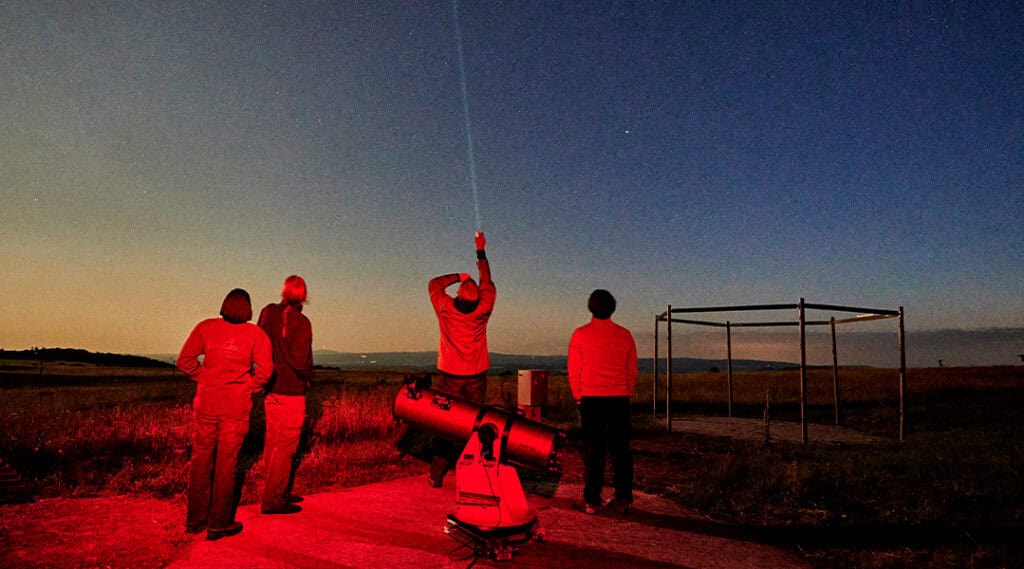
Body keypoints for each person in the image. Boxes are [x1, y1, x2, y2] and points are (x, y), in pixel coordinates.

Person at [177, 288, 273, 540]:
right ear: (248, 308)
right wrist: (249, 386)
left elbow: (184, 361)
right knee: (227, 463)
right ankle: (219, 523)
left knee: (201, 460)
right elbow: (266, 370)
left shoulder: (206, 327)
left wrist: (206, 378)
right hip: (235, 406)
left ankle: (195, 520)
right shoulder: (256, 334)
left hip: (207, 403)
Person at [426, 231, 496, 487]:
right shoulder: (485, 307)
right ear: (478, 297)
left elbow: (434, 284)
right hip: (476, 374)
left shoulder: (445, 307)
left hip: (450, 375)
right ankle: (474, 471)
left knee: (448, 422)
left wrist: (460, 276)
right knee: (474, 421)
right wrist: (480, 251)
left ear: (457, 295)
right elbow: (487, 280)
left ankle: (437, 473)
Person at [567, 289, 638, 515]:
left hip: (591, 398)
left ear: (591, 307)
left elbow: (574, 370)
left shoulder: (580, 334)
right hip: (619, 397)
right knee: (621, 450)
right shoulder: (625, 335)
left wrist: (578, 396)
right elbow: (631, 370)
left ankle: (592, 500)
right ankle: (623, 498)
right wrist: (626, 392)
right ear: (612, 308)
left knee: (595, 450)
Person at [257, 275, 315, 515]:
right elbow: (301, 361)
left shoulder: (267, 313)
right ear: (303, 295)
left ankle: (275, 489)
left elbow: (259, 345)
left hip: (271, 388)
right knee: (286, 446)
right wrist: (309, 377)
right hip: (292, 390)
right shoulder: (302, 322)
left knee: (273, 442)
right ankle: (274, 499)